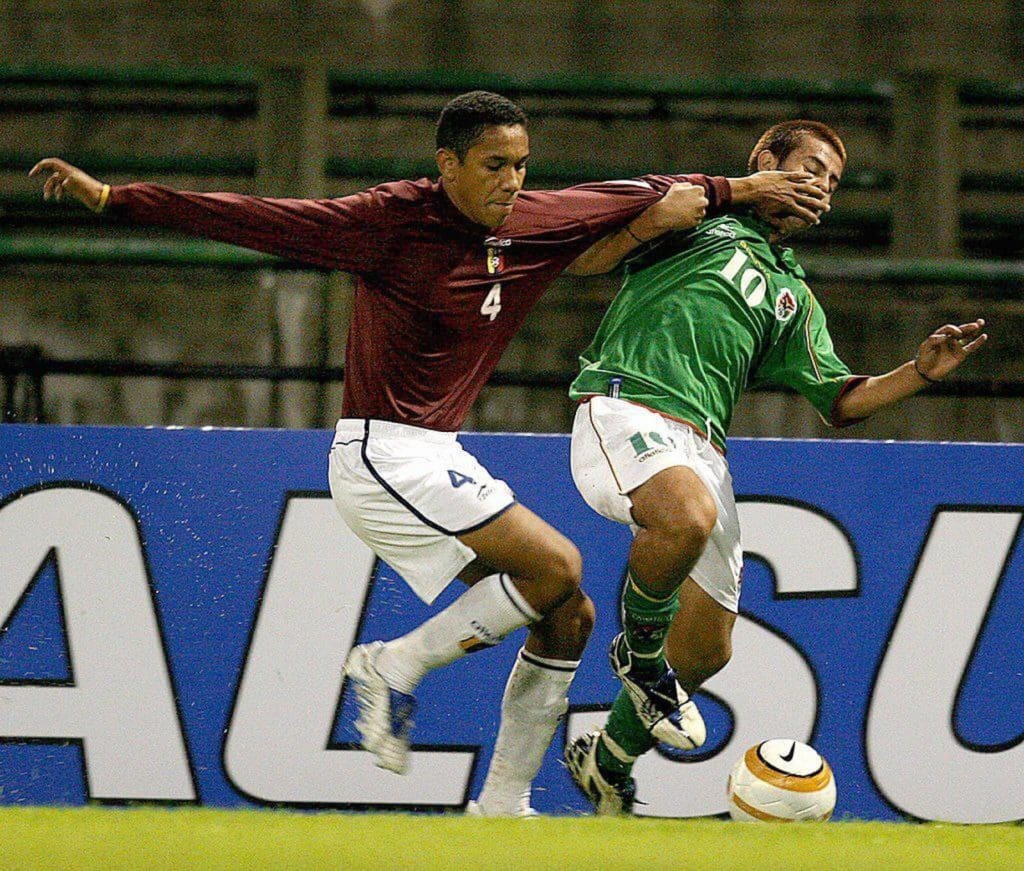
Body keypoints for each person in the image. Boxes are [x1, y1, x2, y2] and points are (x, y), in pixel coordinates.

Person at [30, 92, 830, 816]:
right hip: (379, 452)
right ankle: (392, 665)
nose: (511, 181)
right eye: (493, 165)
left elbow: (649, 196)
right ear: (446, 164)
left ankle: (504, 804)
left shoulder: (527, 221)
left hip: (434, 453)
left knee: (569, 615)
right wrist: (115, 196)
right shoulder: (391, 220)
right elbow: (261, 218)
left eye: (521, 164)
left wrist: (733, 193)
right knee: (555, 567)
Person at [562, 119, 989, 814]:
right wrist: (725, 196)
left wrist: (918, 371)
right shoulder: (696, 213)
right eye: (812, 167)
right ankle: (640, 659)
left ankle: (607, 763)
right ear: (765, 160)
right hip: (626, 405)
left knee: (705, 649)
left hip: (703, 446)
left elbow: (842, 400)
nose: (822, 186)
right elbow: (592, 250)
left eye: (833, 181)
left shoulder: (792, 294)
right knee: (687, 518)